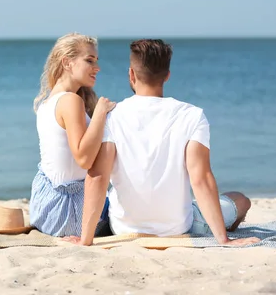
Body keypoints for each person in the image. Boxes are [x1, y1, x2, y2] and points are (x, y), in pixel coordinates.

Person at [74, 39, 260, 246]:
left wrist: (86, 240)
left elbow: (98, 177)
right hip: (178, 228)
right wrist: (223, 240)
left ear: (131, 74)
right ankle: (220, 228)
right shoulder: (192, 116)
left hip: (123, 227)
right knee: (241, 200)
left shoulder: (113, 116)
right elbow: (201, 178)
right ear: (167, 76)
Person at [29, 33, 115, 237]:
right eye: (89, 60)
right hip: (69, 214)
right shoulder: (70, 101)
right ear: (67, 63)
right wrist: (100, 114)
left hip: (46, 209)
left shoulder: (46, 104)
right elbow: (83, 158)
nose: (97, 67)